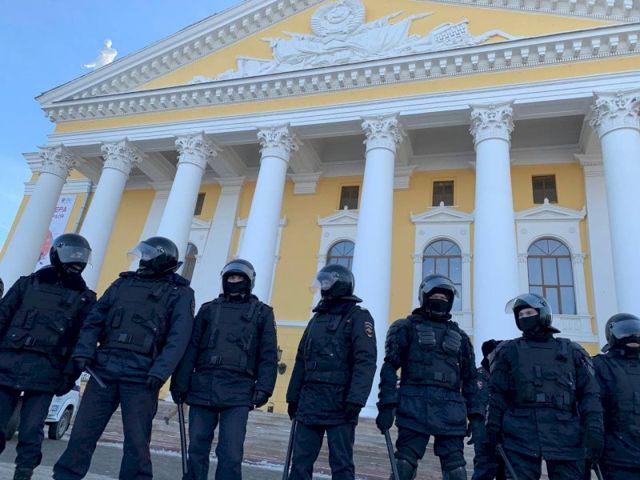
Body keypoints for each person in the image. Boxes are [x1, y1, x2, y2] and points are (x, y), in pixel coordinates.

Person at [53, 236, 195, 480]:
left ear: (161, 259)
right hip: (104, 369)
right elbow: (94, 320)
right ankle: (65, 476)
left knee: (137, 441)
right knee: (82, 433)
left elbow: (179, 337)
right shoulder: (122, 284)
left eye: (148, 255)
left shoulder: (180, 293)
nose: (142, 259)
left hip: (142, 375)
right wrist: (85, 351)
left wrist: (160, 371)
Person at [170, 258, 278, 480]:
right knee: (197, 446)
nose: (234, 281)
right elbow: (191, 349)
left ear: (249, 281)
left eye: (239, 277)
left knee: (231, 452)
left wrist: (264, 387)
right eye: (231, 277)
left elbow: (268, 354)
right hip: (203, 386)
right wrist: (179, 383)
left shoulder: (262, 313)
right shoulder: (208, 309)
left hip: (239, 390)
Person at [0, 233, 96, 480]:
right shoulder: (27, 284)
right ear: (57, 253)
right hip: (8, 363)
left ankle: (24, 472)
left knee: (32, 429)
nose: (76, 260)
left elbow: (81, 339)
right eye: (72, 254)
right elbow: (3, 317)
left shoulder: (85, 297)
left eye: (81, 256)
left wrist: (70, 373)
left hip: (46, 370)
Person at [485, 293, 603, 480]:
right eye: (520, 315)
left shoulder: (572, 351)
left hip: (565, 435)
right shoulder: (508, 351)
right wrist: (492, 425)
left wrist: (594, 430)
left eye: (529, 313)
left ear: (542, 314)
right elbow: (497, 393)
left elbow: (590, 395)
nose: (524, 318)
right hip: (520, 433)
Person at [376, 273, 481, 480]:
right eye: (435, 297)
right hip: (414, 405)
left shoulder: (460, 337)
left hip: (451, 410)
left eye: (444, 298)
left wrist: (476, 416)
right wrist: (386, 404)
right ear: (424, 298)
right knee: (403, 465)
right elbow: (389, 368)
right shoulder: (405, 328)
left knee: (456, 471)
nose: (440, 301)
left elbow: (470, 379)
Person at [286, 264, 377, 480]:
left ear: (340, 285)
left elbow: (365, 361)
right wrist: (293, 396)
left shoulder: (358, 317)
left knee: (341, 464)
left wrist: (356, 399)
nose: (323, 287)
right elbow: (301, 359)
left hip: (341, 403)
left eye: (326, 283)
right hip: (310, 400)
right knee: (300, 463)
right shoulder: (316, 319)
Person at [593, 313, 640, 479]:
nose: (632, 336)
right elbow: (593, 408)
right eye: (625, 331)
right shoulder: (600, 365)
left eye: (636, 331)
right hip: (617, 457)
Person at [470, 340, 504, 480]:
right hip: (484, 431)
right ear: (488, 355)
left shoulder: (500, 375)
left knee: (503, 469)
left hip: (502, 432)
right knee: (485, 468)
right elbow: (480, 405)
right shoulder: (480, 376)